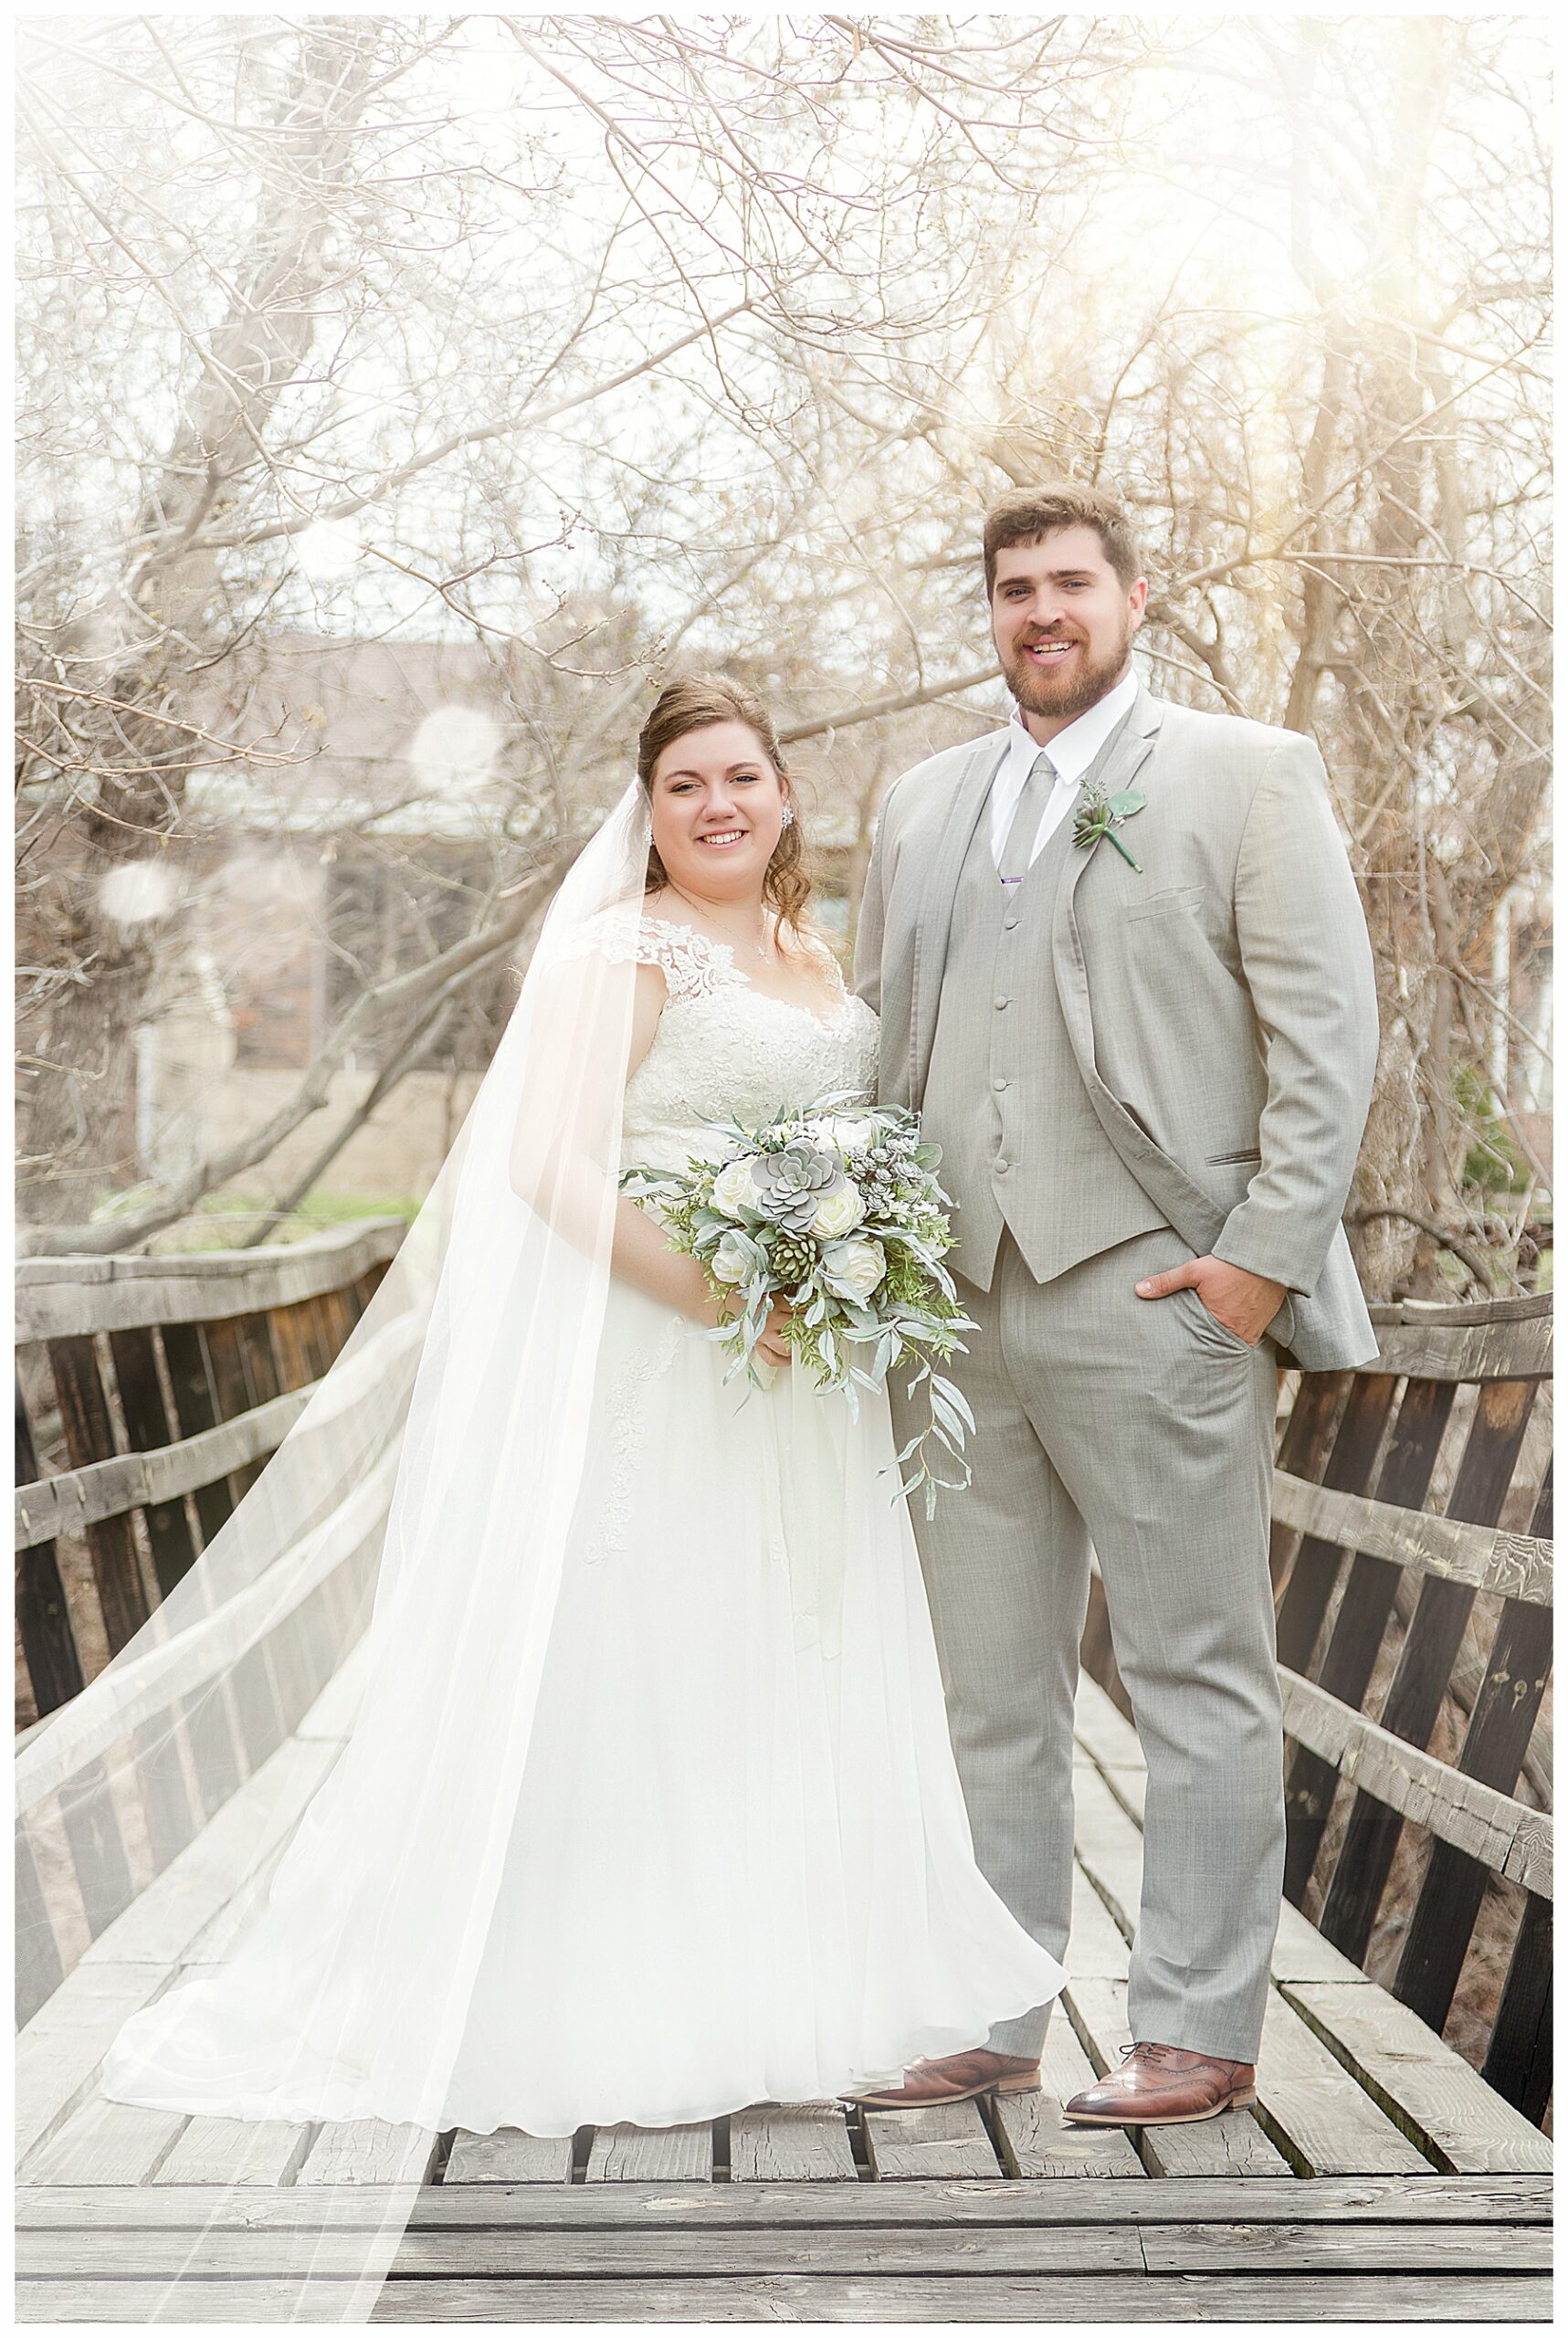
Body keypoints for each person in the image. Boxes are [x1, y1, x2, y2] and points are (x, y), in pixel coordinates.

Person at [95, 674, 1065, 2143]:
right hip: (672, 1350)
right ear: (648, 811)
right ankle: (595, 1997)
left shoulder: (810, 951)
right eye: (684, 786)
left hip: (801, 1379)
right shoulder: (630, 948)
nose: (717, 805)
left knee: (771, 1661)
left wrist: (836, 1268)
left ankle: (759, 1992)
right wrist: (731, 1295)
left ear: (785, 794)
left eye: (740, 777)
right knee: (643, 1648)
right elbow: (548, 1162)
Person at [853, 482, 1379, 2124]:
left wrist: (1256, 1266)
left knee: (1191, 1671)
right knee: (986, 1686)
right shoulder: (922, 802)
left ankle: (1198, 2029)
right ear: (990, 611)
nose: (1040, 613)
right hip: (952, 1313)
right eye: (1013, 589)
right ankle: (995, 2011)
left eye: (1070, 583)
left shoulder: (1243, 777)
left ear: (1132, 600)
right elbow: (878, 1037)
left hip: (1154, 1297)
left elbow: (1325, 1042)